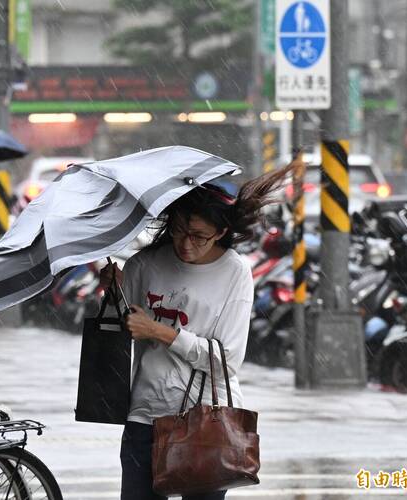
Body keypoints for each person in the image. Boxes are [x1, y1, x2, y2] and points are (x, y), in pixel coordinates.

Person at [99, 163, 297, 500]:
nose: (186, 244)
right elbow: (124, 330)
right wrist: (113, 294)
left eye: (199, 236)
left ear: (220, 232)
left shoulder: (234, 272)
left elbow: (227, 360)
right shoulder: (144, 264)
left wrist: (161, 332)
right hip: (145, 417)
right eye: (178, 231)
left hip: (206, 420)